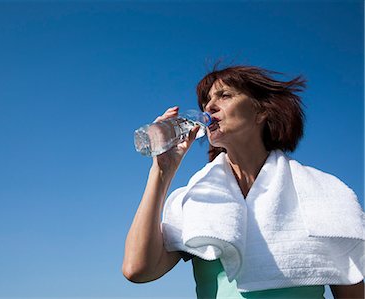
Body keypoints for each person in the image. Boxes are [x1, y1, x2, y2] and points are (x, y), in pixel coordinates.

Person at [122, 64, 364, 298]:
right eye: (206, 101)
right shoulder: (194, 199)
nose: (210, 107)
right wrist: (161, 171)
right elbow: (138, 269)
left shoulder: (322, 193)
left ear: (260, 111)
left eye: (224, 95)